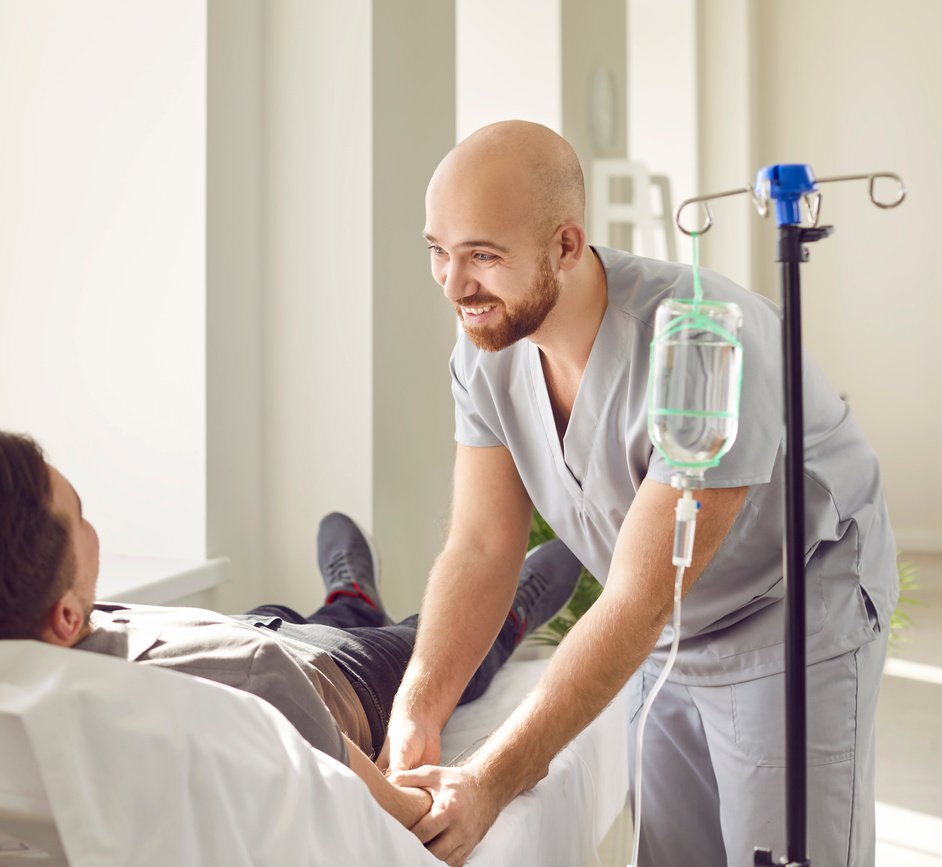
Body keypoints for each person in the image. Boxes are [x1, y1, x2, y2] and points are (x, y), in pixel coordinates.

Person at [383, 120, 897, 866]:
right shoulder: (487, 350)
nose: (455, 285)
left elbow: (637, 599)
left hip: (791, 607)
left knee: (778, 849)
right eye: (438, 252)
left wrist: (487, 782)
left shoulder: (702, 344)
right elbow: (483, 545)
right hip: (670, 624)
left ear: (566, 244)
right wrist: (416, 709)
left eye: (483, 257)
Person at [0, 427, 582, 833]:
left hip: (240, 632)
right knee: (453, 640)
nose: (93, 525)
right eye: (83, 517)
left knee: (317, 617)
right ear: (65, 617)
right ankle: (502, 605)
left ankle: (350, 590)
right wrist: (490, 778)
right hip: (334, 672)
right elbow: (401, 811)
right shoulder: (247, 695)